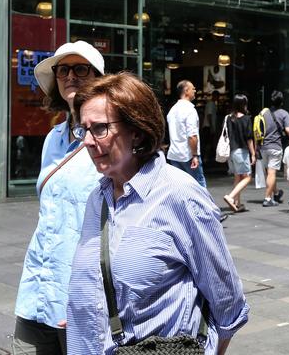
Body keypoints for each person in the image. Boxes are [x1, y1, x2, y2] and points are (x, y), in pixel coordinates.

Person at [67, 72, 249, 354]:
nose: (88, 141)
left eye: (99, 129)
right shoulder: (97, 198)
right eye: (83, 129)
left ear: (136, 131)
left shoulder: (179, 194)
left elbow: (228, 303)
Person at [13, 40, 105, 354]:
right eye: (63, 70)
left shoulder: (110, 138)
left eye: (81, 68)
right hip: (38, 284)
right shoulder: (53, 139)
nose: (70, 76)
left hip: (82, 293)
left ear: (98, 78)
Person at [166, 80, 207, 188]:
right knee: (199, 186)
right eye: (193, 88)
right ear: (186, 91)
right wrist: (195, 155)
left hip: (174, 155)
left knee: (180, 187)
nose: (195, 91)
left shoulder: (172, 110)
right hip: (187, 155)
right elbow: (192, 135)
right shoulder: (190, 110)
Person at [222, 94, 256, 213]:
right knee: (247, 177)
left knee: (238, 176)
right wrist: (253, 154)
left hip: (232, 152)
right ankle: (231, 197)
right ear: (243, 104)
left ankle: (237, 203)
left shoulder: (229, 118)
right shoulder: (246, 119)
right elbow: (249, 138)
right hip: (242, 151)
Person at [259, 90, 289, 207]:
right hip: (275, 146)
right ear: (281, 102)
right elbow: (288, 130)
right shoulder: (284, 114)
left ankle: (276, 193)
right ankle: (267, 198)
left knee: (269, 173)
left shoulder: (264, 113)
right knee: (272, 173)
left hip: (263, 146)